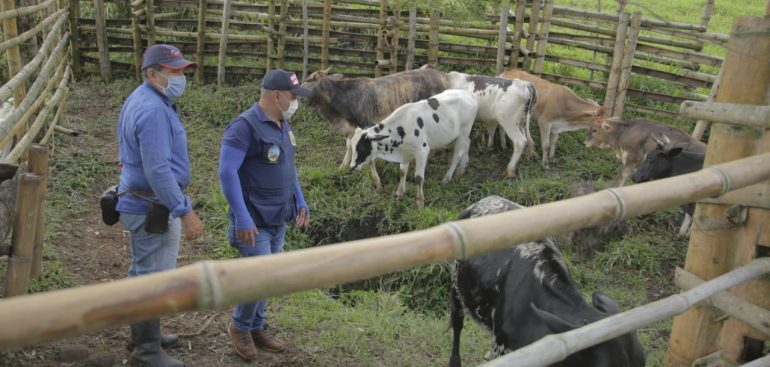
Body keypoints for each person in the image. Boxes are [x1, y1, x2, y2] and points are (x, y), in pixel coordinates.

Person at [116, 44, 204, 367]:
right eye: (174, 72)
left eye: (182, 71)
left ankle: (144, 337)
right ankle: (147, 351)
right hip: (151, 205)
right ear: (153, 74)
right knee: (150, 276)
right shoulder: (153, 110)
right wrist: (184, 210)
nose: (181, 77)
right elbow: (157, 171)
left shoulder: (143, 98)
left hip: (143, 201)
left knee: (146, 272)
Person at [218, 69, 311, 361]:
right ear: (276, 95)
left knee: (268, 278)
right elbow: (227, 170)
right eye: (293, 97)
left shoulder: (283, 124)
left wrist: (300, 198)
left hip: (278, 217)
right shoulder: (243, 127)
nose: (296, 102)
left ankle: (256, 327)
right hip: (253, 220)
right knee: (258, 276)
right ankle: (239, 327)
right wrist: (241, 217)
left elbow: (288, 165)